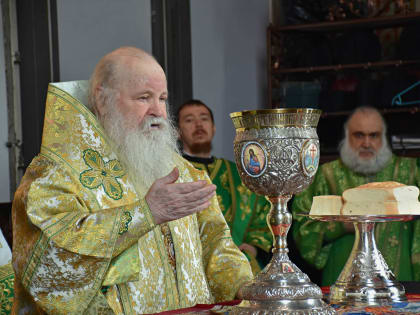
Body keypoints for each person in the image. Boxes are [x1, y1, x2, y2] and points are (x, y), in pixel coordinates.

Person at [11, 47, 253, 314]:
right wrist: (145, 214)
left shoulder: (185, 172)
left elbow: (216, 243)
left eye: (162, 98)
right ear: (102, 100)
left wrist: (244, 287)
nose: (158, 111)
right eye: (143, 98)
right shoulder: (56, 173)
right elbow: (49, 266)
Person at [292, 106, 420, 286]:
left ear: (383, 137)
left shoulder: (411, 172)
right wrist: (341, 225)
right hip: (342, 282)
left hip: (401, 282)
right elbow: (302, 225)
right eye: (359, 135)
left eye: (374, 135)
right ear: (347, 136)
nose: (366, 143)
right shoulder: (325, 175)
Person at [177, 100, 272, 274]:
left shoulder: (239, 173)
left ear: (213, 128)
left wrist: (255, 246)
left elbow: (263, 213)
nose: (198, 124)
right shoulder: (174, 173)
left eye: (204, 118)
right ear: (178, 132)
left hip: (237, 266)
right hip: (191, 269)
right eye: (189, 120)